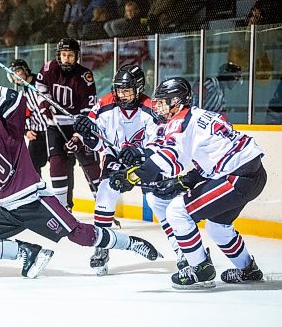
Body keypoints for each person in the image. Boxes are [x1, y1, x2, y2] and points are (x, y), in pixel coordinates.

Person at [0, 84, 162, 278]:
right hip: (8, 209)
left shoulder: (7, 131)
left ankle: (131, 243)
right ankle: (28, 252)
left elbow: (15, 99)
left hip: (35, 201)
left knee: (79, 235)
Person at [110, 77, 266, 289]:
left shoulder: (181, 121)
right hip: (252, 174)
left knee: (177, 211)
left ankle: (200, 269)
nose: (159, 106)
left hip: (236, 178)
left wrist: (131, 177)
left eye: (164, 101)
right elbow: (212, 159)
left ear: (177, 101)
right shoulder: (201, 115)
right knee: (217, 227)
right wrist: (183, 181)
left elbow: (168, 157)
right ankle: (249, 270)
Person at [73, 64, 185, 275]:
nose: (121, 94)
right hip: (115, 158)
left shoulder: (151, 108)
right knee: (105, 194)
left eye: (127, 90)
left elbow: (160, 143)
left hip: (144, 160)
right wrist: (85, 131)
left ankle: (183, 250)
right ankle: (102, 247)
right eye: (118, 89)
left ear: (139, 88)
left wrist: (140, 153)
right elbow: (96, 142)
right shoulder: (105, 104)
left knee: (158, 202)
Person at [35, 38, 100, 210]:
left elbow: (90, 108)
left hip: (79, 124)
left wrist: (78, 136)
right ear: (59, 55)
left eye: (70, 55)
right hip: (55, 125)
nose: (66, 59)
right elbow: (40, 85)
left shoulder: (85, 76)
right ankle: (62, 207)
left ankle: (103, 205)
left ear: (76, 56)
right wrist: (44, 103)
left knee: (90, 165)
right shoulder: (49, 68)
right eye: (64, 55)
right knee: (57, 163)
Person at [7, 59, 48, 176]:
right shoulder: (24, 94)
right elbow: (25, 114)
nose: (15, 76)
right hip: (37, 134)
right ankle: (38, 191)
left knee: (58, 166)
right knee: (31, 166)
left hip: (52, 130)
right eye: (12, 74)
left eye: (18, 71)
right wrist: (26, 131)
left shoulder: (41, 84)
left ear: (25, 70)